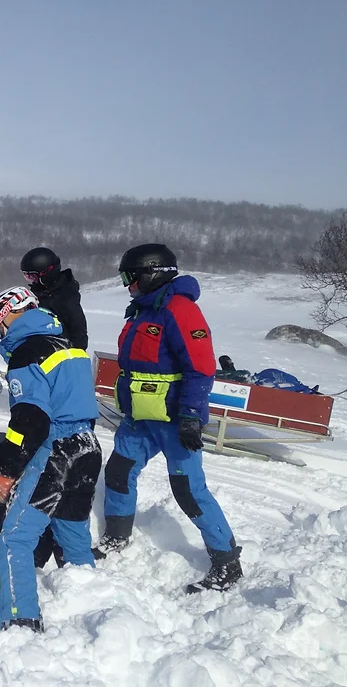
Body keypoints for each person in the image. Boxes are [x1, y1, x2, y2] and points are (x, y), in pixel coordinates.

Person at [93, 243, 243, 593]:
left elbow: (201, 366)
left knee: (188, 490)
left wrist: (191, 416)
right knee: (118, 473)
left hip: (175, 419)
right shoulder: (143, 310)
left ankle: (227, 562)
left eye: (130, 277)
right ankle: (117, 537)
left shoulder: (180, 310)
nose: (126, 285)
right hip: (141, 417)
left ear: (152, 273)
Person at [0, 286, 102, 632]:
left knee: (14, 539)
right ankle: (96, 607)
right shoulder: (69, 346)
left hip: (56, 450)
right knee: (72, 531)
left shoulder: (27, 354)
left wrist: (5, 471)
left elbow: (30, 422)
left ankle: (20, 622)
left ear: (13, 314)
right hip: (88, 446)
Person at [20, 247, 88, 350]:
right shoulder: (40, 292)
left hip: (58, 355)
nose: (32, 281)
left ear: (46, 273)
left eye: (32, 276)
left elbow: (79, 334)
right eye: (27, 277)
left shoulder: (65, 298)